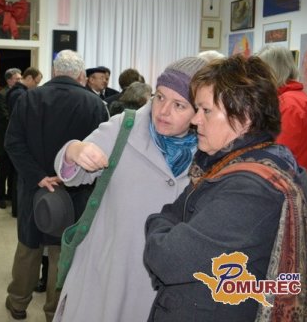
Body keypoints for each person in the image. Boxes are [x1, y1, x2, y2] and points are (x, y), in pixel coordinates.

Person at [144, 55, 307, 321]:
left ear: (244, 117)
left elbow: (167, 259)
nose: (195, 120)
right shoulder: (235, 164)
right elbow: (170, 219)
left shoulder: (251, 189)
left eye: (206, 110)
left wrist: (160, 227)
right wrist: (166, 226)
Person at [52, 56, 207, 322]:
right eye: (160, 97)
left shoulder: (210, 148)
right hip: (108, 273)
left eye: (179, 105)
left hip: (164, 282)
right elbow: (74, 176)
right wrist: (73, 151)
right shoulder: (125, 127)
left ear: (199, 111)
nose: (163, 111)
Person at [4, 50, 109, 322]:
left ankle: (18, 303)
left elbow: (13, 143)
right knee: (62, 253)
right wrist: (66, 176)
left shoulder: (29, 98)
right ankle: (55, 312)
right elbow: (101, 154)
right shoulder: (95, 104)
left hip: (34, 188)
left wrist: (39, 176)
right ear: (81, 75)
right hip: (75, 190)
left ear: (53, 72)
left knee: (28, 247)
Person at [257, 45, 307, 172]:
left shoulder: (290, 103)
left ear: (273, 71)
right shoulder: (293, 98)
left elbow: (279, 154)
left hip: (284, 177)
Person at [6, 66, 43, 218]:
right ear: (28, 78)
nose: (37, 85)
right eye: (36, 82)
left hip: (18, 138)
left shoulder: (17, 92)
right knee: (18, 176)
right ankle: (17, 209)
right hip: (20, 140)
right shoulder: (20, 94)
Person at [0, 68, 22, 209]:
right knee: (3, 170)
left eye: (20, 78)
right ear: (9, 80)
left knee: (13, 169)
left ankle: (11, 194)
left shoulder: (19, 93)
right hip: (5, 138)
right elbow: (4, 117)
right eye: (17, 79)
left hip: (15, 138)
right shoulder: (2, 95)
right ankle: (0, 196)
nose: (20, 81)